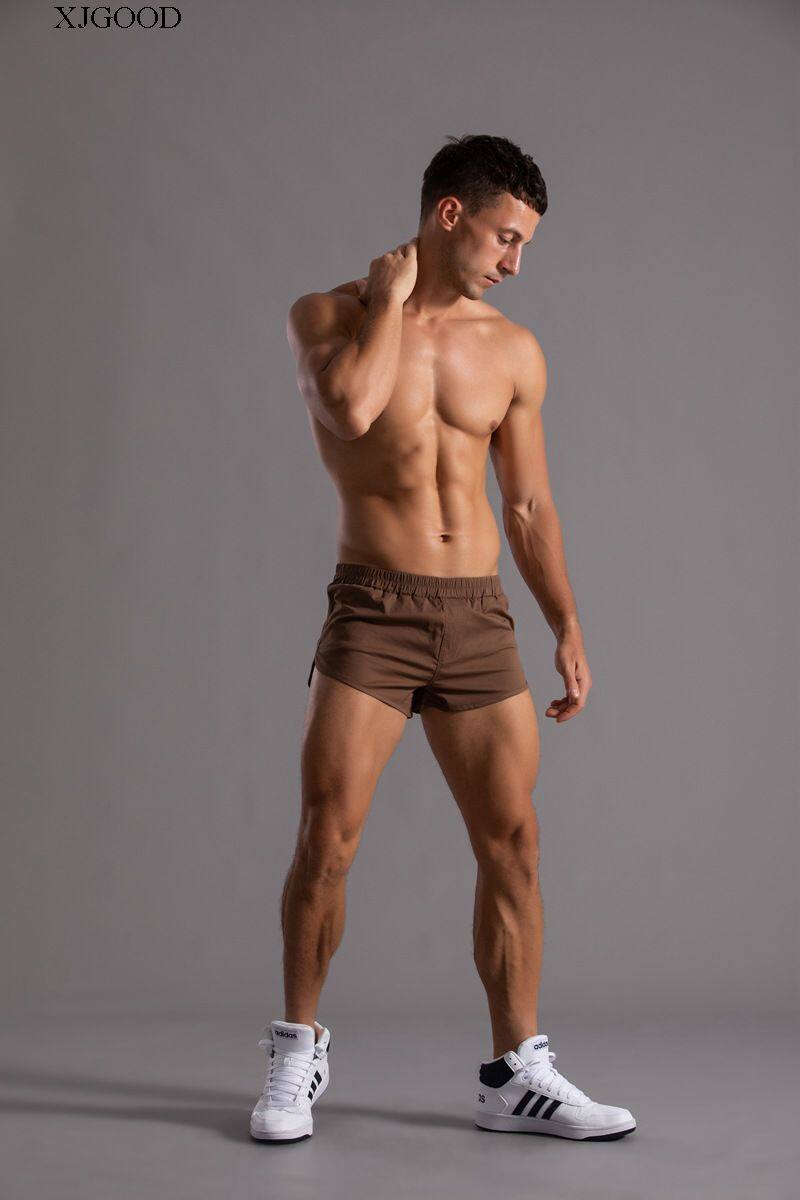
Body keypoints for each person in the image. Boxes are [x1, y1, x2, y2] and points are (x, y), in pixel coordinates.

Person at [250, 134, 636, 1144]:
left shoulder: (512, 349)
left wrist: (565, 622)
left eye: (526, 244)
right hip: (373, 611)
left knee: (514, 843)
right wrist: (388, 302)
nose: (516, 261)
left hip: (476, 617)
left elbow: (528, 506)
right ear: (449, 213)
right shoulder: (329, 314)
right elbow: (350, 408)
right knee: (327, 838)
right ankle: (296, 1053)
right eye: (506, 236)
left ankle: (515, 1074)